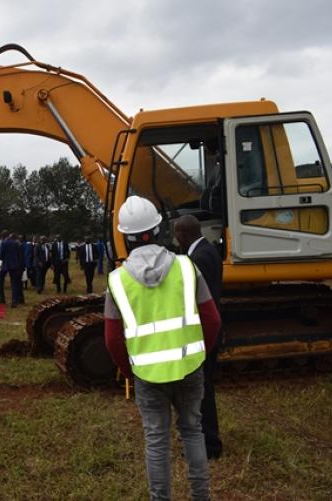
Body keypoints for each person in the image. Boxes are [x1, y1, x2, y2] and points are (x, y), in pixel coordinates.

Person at [104, 196, 221, 501]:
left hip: (147, 375)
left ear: (126, 238)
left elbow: (112, 339)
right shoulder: (186, 267)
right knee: (192, 432)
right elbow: (211, 319)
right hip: (190, 368)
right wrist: (198, 355)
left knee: (156, 442)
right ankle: (201, 496)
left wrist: (132, 371)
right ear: (158, 230)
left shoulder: (116, 281)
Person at [175, 214, 224, 461]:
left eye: (176, 234)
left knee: (202, 390)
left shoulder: (199, 258)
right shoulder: (208, 250)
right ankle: (206, 438)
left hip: (203, 330)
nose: (176, 239)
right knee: (203, 387)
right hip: (208, 328)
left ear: (183, 234)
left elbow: (197, 299)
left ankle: (210, 444)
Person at [0, 232, 24, 307]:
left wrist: (1, 258)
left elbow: (1, 255)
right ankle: (14, 301)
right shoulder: (16, 243)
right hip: (14, 264)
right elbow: (18, 254)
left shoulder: (4, 243)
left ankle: (2, 299)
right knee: (14, 283)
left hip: (5, 264)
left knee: (0, 281)